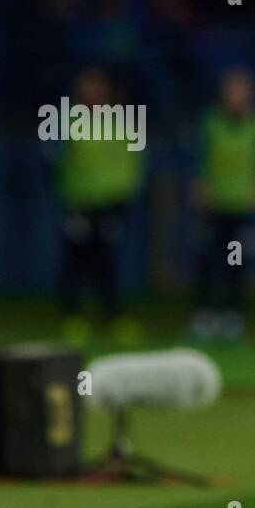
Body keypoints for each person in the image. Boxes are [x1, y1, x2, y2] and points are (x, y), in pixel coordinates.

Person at [55, 66, 145, 346]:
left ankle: (115, 318)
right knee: (75, 262)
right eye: (87, 86)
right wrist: (68, 205)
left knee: (108, 263)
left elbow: (132, 165)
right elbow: (58, 163)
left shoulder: (120, 122)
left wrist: (122, 206)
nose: (92, 92)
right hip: (79, 204)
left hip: (111, 205)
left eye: (97, 86)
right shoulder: (66, 120)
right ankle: (73, 317)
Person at [190, 68, 255, 342]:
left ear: (250, 94)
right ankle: (204, 315)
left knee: (236, 263)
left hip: (243, 208)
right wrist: (200, 184)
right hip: (214, 206)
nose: (236, 96)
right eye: (231, 91)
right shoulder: (210, 122)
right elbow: (199, 157)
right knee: (207, 260)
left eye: (241, 91)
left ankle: (232, 317)